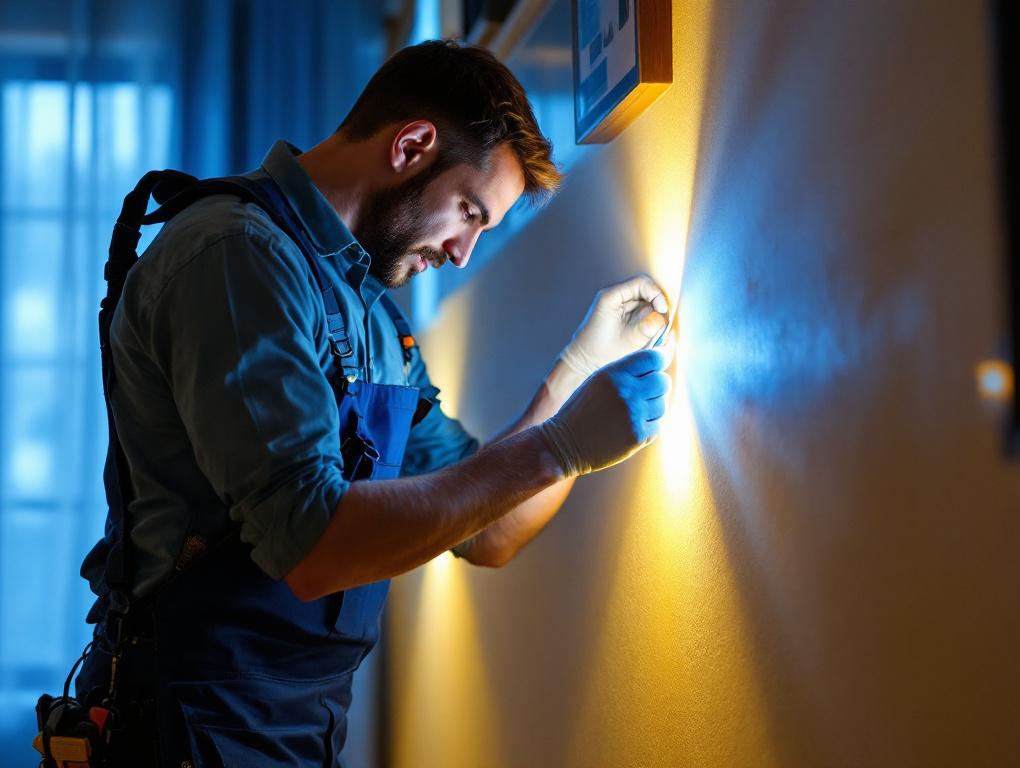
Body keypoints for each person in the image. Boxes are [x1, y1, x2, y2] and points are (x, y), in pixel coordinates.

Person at [72, 39, 673, 767]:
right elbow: (312, 546)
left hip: (294, 724)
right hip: (186, 723)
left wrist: (575, 375)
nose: (462, 253)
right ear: (411, 146)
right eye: (469, 212)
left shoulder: (377, 321)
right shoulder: (236, 257)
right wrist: (558, 448)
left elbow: (490, 528)